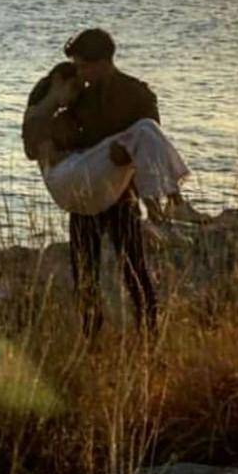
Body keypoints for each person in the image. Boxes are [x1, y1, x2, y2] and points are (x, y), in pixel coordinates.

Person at [60, 27, 160, 340]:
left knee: (134, 270)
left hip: (122, 195)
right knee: (84, 274)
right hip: (85, 195)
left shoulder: (138, 94)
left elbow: (151, 140)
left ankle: (149, 338)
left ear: (103, 62)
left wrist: (125, 153)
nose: (80, 73)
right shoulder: (79, 98)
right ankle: (90, 339)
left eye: (84, 66)